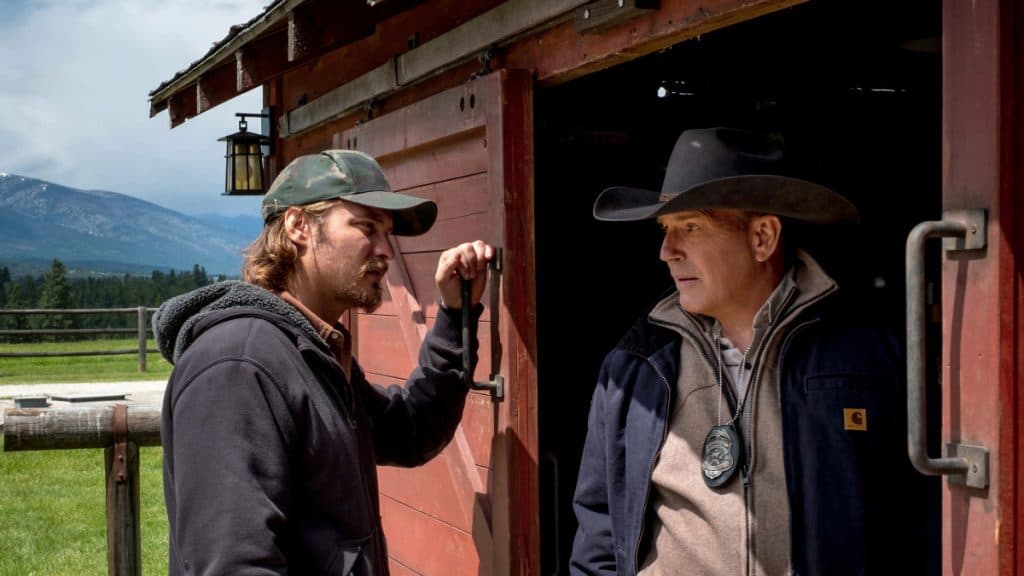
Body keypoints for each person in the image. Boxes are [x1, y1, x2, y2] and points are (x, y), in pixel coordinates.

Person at [569, 127, 936, 575]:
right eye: (666, 229)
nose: (667, 251)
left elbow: (921, 521)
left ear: (763, 237)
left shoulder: (867, 358)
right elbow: (599, 532)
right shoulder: (635, 366)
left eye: (690, 226)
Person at [153, 149, 495, 575]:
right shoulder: (239, 364)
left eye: (387, 233)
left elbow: (408, 430)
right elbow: (237, 565)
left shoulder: (312, 354)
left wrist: (455, 315)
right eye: (366, 227)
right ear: (299, 226)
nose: (386, 250)